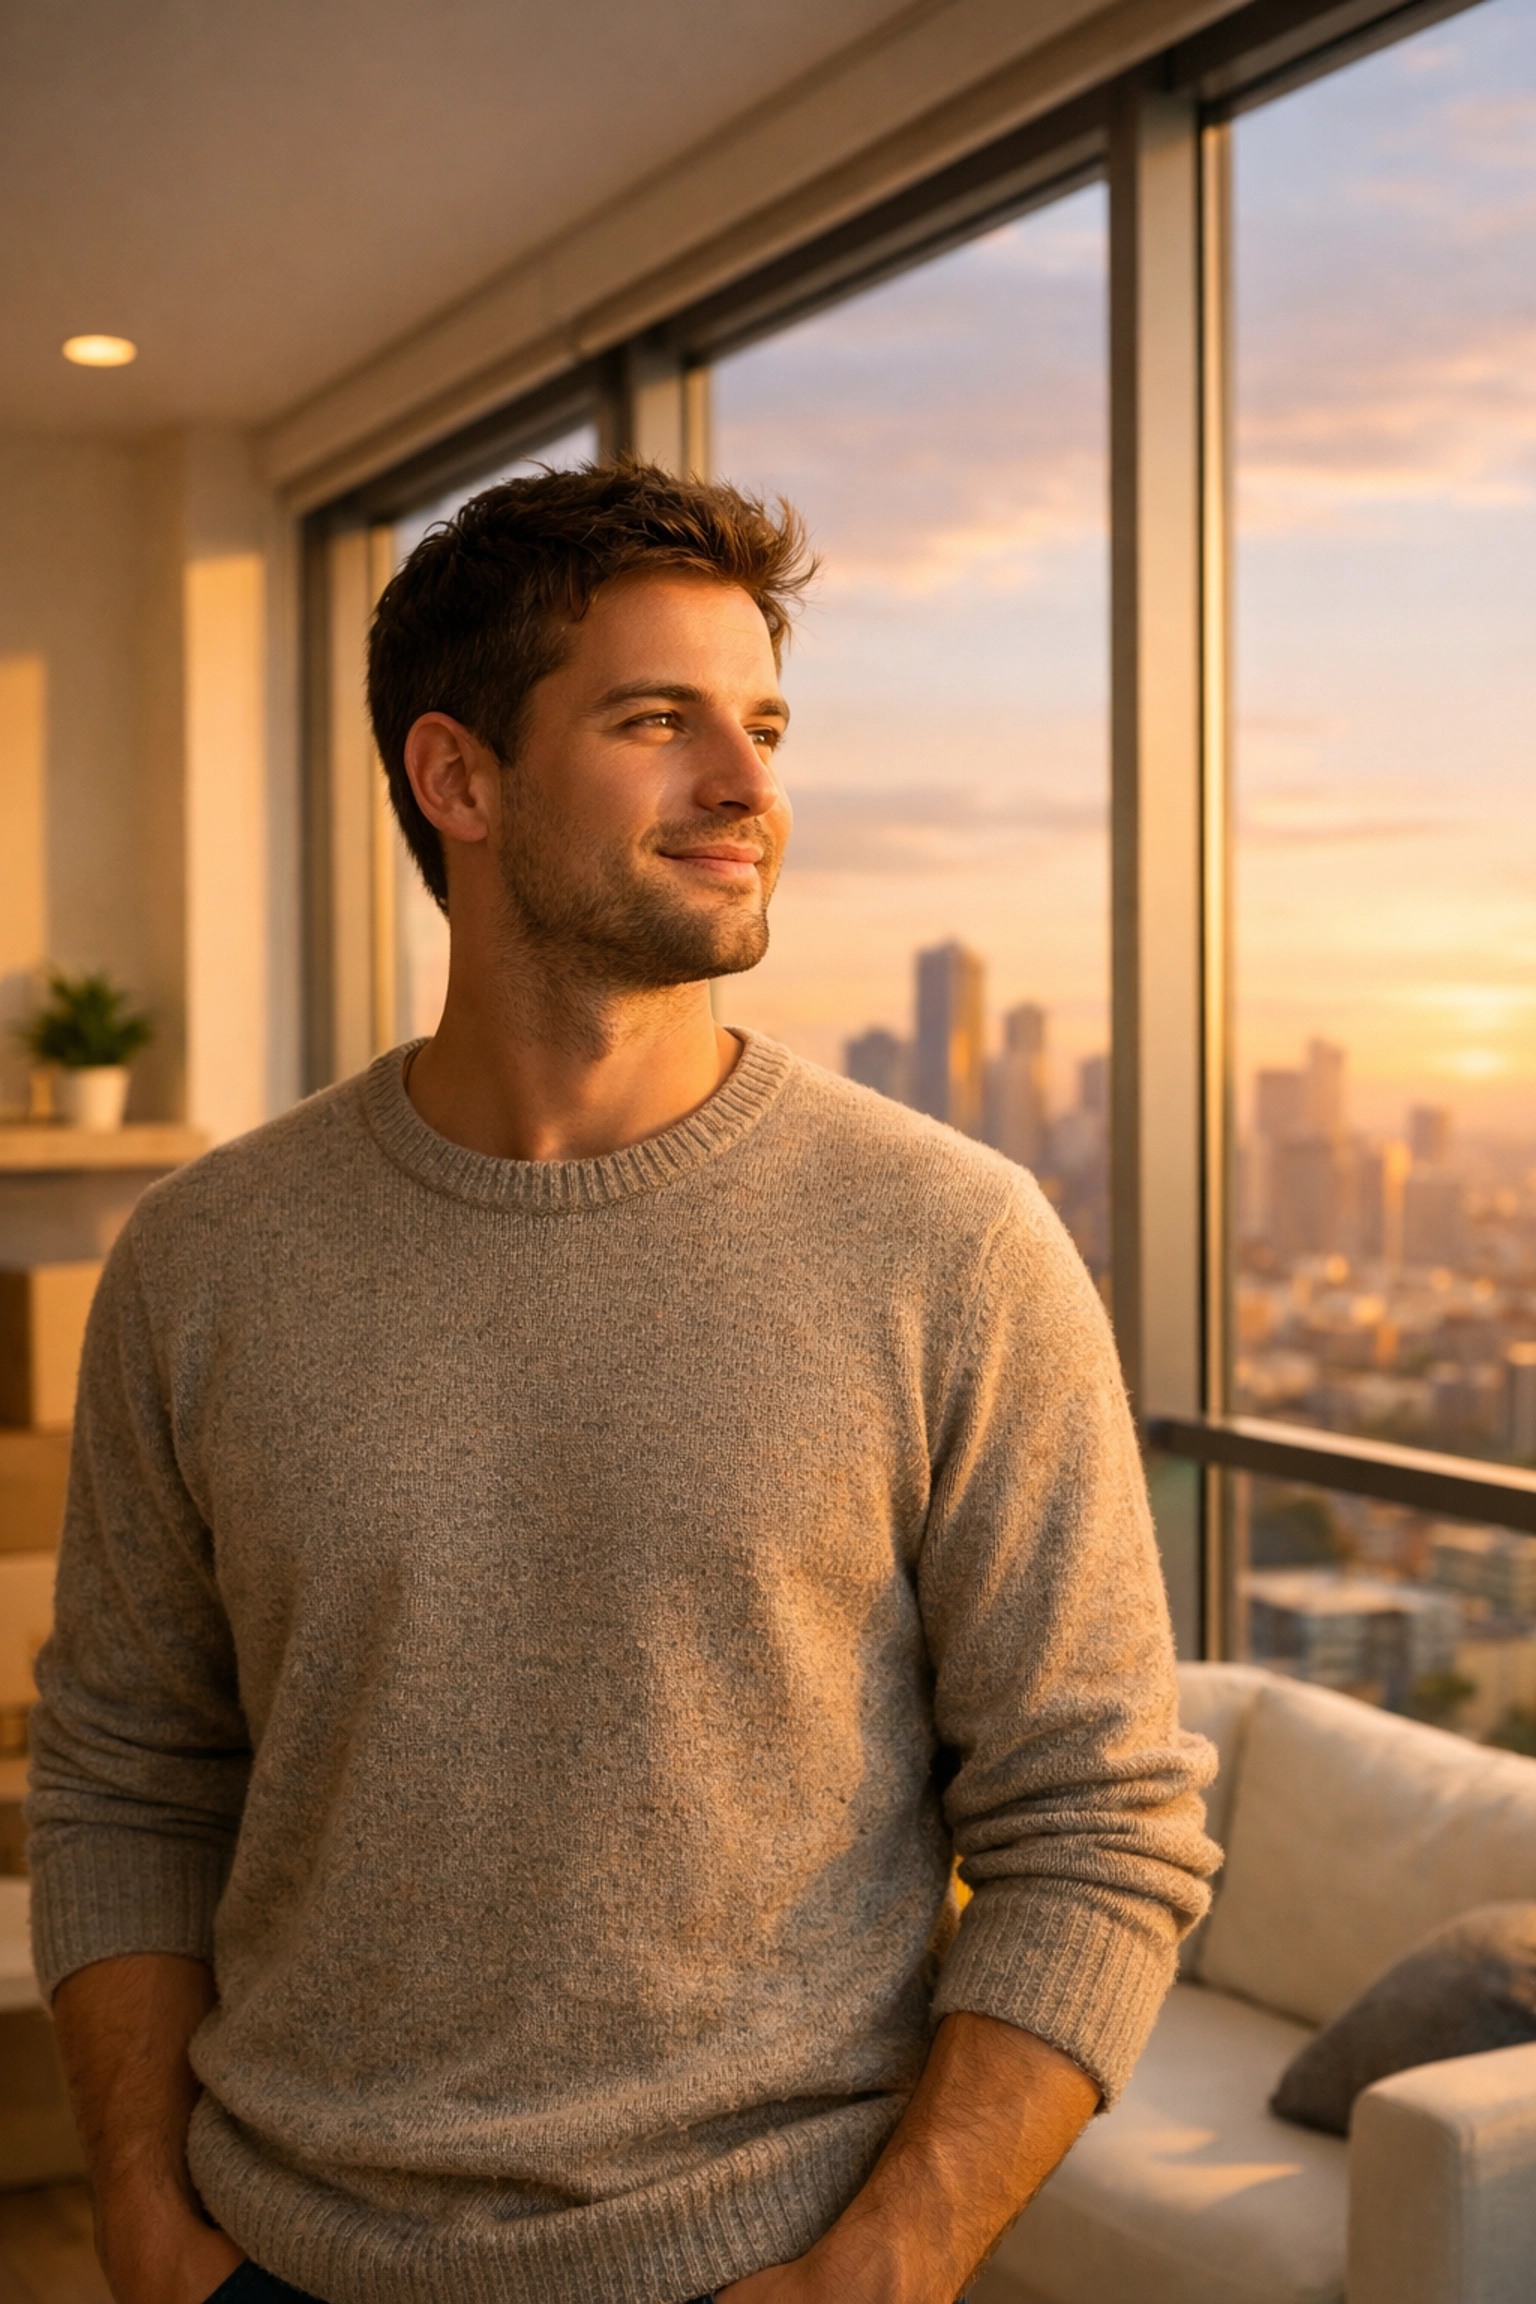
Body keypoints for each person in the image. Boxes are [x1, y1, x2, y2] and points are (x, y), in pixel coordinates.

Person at [28, 460, 1217, 2304]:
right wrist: (137, 2208)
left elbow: (1101, 1829)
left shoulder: (953, 1243)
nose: (751, 789)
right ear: (459, 779)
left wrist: (882, 2271)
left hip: (762, 2269)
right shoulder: (205, 1262)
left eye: (761, 724)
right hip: (273, 2258)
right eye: (661, 722)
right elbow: (127, 1777)